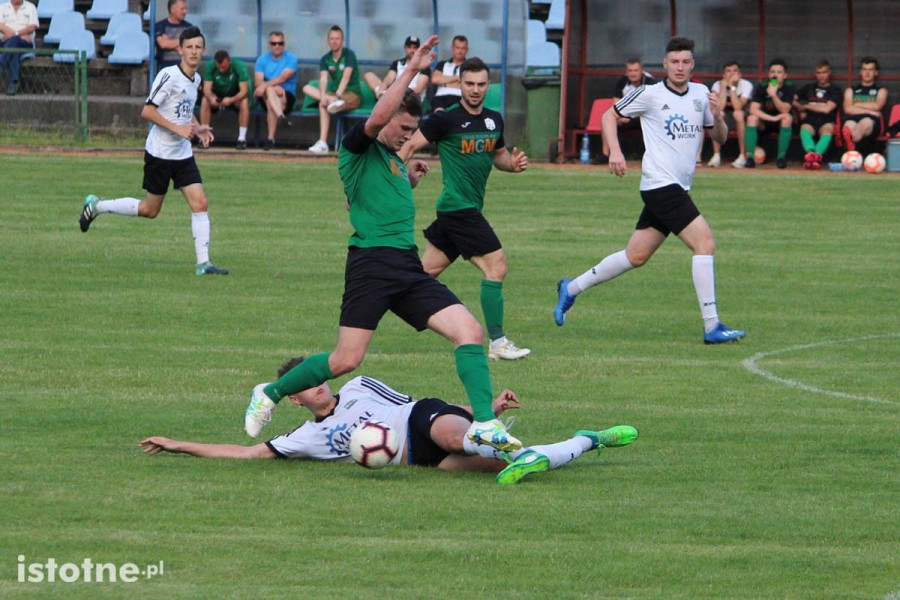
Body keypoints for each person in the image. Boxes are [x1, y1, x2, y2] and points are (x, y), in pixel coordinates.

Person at [243, 36, 521, 456]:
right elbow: (377, 117)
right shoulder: (359, 145)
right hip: (370, 265)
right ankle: (271, 392)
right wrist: (411, 68)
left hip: (406, 267)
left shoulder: (394, 160)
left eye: (414, 130)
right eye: (404, 129)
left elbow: (378, 197)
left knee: (469, 330)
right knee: (345, 361)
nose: (408, 137)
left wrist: (407, 178)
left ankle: (483, 423)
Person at [144, 357, 639, 485]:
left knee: (460, 434)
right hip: (417, 461)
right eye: (302, 386)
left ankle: (490, 434)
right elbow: (247, 452)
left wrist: (483, 412)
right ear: (292, 400)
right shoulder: (305, 436)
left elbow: (427, 406)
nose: (315, 385)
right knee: (518, 465)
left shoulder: (359, 386)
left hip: (421, 420)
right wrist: (177, 443)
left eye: (314, 377)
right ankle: (588, 439)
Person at [553, 36, 745, 345]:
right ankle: (712, 326)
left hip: (676, 187)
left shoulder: (701, 93)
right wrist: (615, 152)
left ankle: (571, 288)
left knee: (636, 255)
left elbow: (721, 138)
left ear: (692, 65)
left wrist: (719, 116)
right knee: (705, 243)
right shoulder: (650, 94)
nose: (680, 67)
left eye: (686, 62)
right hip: (660, 185)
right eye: (675, 62)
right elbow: (609, 116)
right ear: (665, 65)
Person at [399, 57, 531, 361]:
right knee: (496, 268)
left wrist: (513, 165)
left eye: (481, 84)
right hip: (459, 209)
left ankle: (379, 298)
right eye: (469, 83)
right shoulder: (446, 120)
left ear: (488, 85)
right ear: (460, 83)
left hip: (459, 210)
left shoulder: (493, 120)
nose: (475, 89)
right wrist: (398, 178)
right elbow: (407, 146)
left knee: (422, 274)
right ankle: (498, 342)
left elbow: (498, 156)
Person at [78, 27, 228, 277]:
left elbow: (182, 110)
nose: (193, 52)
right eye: (188, 47)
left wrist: (196, 128)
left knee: (200, 203)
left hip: (182, 154)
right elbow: (147, 111)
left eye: (198, 47)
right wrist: (178, 130)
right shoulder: (168, 76)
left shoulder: (196, 80)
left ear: (203, 51)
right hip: (159, 154)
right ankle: (98, 206)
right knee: (150, 210)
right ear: (179, 49)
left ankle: (204, 264)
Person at [302, 25, 362, 154]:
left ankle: (332, 102)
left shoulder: (349, 55)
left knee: (324, 103)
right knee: (307, 89)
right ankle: (323, 144)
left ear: (343, 41)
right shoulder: (325, 58)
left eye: (337, 38)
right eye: (332, 39)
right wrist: (324, 95)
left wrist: (338, 95)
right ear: (328, 41)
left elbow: (346, 77)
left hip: (351, 94)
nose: (334, 41)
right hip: (334, 96)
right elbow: (323, 79)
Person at [600, 58, 656, 159]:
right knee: (607, 120)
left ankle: (653, 157)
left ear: (641, 71)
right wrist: (618, 117)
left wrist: (631, 117)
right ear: (626, 72)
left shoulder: (650, 82)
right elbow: (615, 103)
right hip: (624, 117)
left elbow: (651, 107)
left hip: (643, 118)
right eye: (630, 71)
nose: (633, 74)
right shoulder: (622, 82)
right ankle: (605, 155)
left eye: (635, 70)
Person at [745, 58, 796, 169]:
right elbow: (753, 109)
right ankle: (750, 158)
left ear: (785, 75)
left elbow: (785, 110)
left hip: (781, 122)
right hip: (765, 121)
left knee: (787, 118)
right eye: (773, 72)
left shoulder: (789, 87)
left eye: (779, 72)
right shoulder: (762, 86)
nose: (775, 75)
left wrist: (773, 95)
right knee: (751, 118)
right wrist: (772, 118)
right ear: (768, 74)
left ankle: (781, 158)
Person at [792, 59, 841, 169]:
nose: (822, 76)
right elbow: (791, 99)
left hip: (827, 120)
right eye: (819, 73)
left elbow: (827, 109)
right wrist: (800, 108)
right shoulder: (809, 87)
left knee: (828, 130)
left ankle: (817, 155)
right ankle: (810, 154)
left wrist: (806, 106)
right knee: (804, 128)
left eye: (824, 72)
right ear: (815, 74)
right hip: (810, 119)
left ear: (829, 73)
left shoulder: (835, 90)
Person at [253, 31, 298, 150]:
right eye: (274, 43)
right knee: (270, 92)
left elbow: (284, 77)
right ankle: (281, 117)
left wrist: (266, 86)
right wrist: (270, 87)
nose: (277, 46)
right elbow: (258, 82)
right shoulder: (262, 60)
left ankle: (270, 139)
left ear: (284, 44)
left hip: (286, 96)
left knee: (270, 101)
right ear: (269, 45)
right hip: (268, 96)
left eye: (280, 43)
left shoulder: (291, 59)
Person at [200, 49, 251, 150]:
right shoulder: (211, 66)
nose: (221, 70)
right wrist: (211, 97)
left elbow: (244, 90)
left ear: (229, 62)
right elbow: (206, 89)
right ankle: (204, 137)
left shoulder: (238, 66)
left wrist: (232, 99)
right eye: (219, 67)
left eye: (224, 67)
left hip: (234, 96)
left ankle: (242, 139)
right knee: (205, 100)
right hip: (217, 96)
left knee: (244, 102)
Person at [707, 61, 754, 168]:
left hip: (741, 119)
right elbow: (720, 107)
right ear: (723, 75)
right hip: (725, 119)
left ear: (740, 74)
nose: (731, 74)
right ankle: (716, 155)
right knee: (719, 114)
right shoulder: (717, 85)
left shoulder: (746, 85)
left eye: (735, 71)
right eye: (728, 71)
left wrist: (731, 87)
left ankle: (742, 156)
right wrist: (724, 87)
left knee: (738, 114)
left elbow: (738, 107)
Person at [362, 35, 431, 103]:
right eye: (409, 47)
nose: (412, 50)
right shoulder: (397, 63)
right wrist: (382, 89)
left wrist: (396, 93)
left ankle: (384, 98)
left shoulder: (423, 66)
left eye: (415, 48)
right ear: (405, 48)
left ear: (419, 49)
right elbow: (389, 79)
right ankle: (382, 96)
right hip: (395, 96)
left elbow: (418, 90)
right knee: (369, 75)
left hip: (411, 100)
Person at [841, 56, 889, 152]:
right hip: (854, 118)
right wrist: (871, 111)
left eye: (871, 70)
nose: (867, 73)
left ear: (876, 72)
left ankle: (851, 146)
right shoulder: (851, 90)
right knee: (848, 124)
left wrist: (856, 104)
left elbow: (877, 105)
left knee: (865, 121)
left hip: (872, 122)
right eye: (864, 69)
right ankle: (852, 148)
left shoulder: (881, 90)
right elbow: (847, 109)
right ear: (860, 72)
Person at [0, 0, 37, 96]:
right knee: (14, 50)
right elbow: (0, 25)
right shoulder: (2, 7)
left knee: (14, 42)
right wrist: (17, 35)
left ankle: (1, 64)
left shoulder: (31, 7)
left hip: (25, 43)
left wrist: (15, 35)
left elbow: (32, 27)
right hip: (6, 41)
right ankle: (13, 83)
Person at [430, 34, 468, 112]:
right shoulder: (442, 64)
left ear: (467, 50)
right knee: (439, 114)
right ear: (452, 49)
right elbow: (435, 79)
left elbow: (467, 84)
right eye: (457, 48)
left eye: (463, 48)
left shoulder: (469, 66)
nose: (460, 51)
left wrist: (445, 83)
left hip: (460, 98)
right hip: (440, 98)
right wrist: (457, 78)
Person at [154, 0, 193, 70]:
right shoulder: (160, 26)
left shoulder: (189, 27)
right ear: (173, 10)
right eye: (182, 9)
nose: (185, 12)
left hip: (185, 69)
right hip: (165, 69)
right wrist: (184, 41)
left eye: (186, 9)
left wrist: (169, 42)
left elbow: (192, 47)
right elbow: (163, 44)